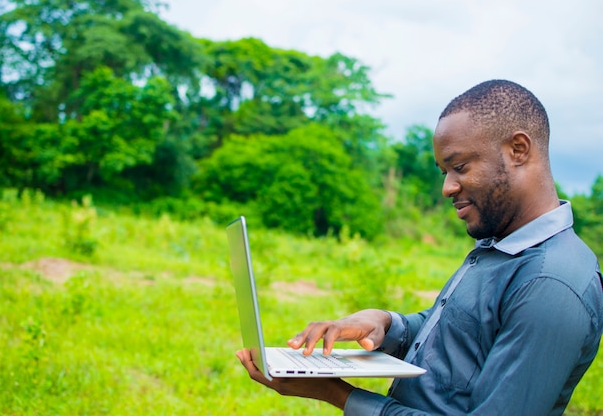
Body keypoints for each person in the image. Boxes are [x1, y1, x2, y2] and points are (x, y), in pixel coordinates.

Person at [236, 79, 603, 415]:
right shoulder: (501, 244)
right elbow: (460, 337)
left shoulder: (551, 284)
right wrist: (384, 324)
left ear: (518, 149)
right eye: (444, 171)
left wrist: (338, 394)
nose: (447, 187)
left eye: (459, 166)